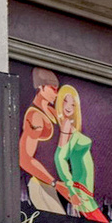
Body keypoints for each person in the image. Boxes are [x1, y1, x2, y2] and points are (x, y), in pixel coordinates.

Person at [54, 85, 108, 223]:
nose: (69, 107)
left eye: (73, 104)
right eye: (66, 101)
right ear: (60, 102)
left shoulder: (70, 126)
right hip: (80, 191)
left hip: (85, 192)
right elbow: (60, 157)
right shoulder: (66, 125)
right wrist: (71, 190)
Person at [18, 67, 69, 214]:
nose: (56, 93)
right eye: (53, 89)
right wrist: (54, 183)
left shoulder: (54, 113)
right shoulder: (36, 116)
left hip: (60, 185)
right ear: (41, 87)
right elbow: (24, 158)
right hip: (42, 185)